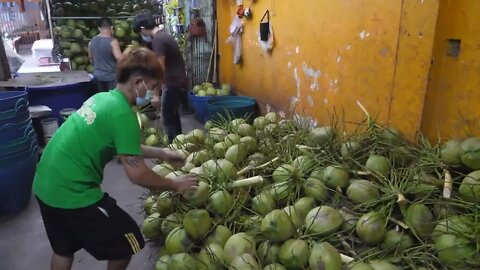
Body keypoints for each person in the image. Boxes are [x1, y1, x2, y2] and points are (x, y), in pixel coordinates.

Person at [33, 47, 198, 270]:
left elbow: (121, 145)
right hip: (71, 192)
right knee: (128, 242)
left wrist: (162, 153)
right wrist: (174, 184)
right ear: (138, 82)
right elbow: (137, 174)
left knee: (64, 249)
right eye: (153, 87)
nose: (153, 94)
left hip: (45, 184)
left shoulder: (102, 99)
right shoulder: (122, 114)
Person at [132, 12, 188, 142]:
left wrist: (156, 94)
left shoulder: (158, 40)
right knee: (173, 116)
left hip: (173, 84)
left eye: (140, 32)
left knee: (167, 119)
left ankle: (174, 150)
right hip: (178, 82)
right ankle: (180, 145)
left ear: (142, 29)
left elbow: (160, 69)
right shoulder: (164, 36)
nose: (142, 36)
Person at [88, 17, 123, 92]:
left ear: (99, 28)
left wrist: (98, 67)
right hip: (111, 78)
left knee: (102, 99)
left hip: (97, 76)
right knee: (112, 99)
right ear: (112, 27)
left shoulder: (92, 41)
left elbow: (91, 58)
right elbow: (120, 59)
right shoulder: (113, 42)